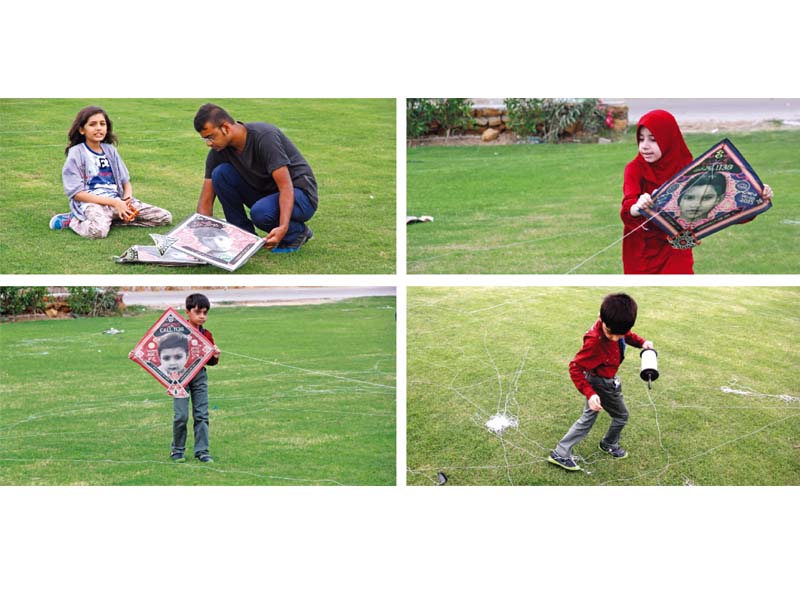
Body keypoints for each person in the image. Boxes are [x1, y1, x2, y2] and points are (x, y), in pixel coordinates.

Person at [621, 109, 774, 274]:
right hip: (642, 249)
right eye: (641, 139)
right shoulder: (634, 168)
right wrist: (638, 206)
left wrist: (757, 196)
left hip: (677, 247)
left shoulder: (689, 168)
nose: (644, 146)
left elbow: (725, 209)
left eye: (653, 139)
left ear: (668, 139)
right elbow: (628, 204)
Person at [548, 293, 653, 471]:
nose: (613, 338)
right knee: (621, 416)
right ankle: (606, 444)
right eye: (610, 333)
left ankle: (563, 451)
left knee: (589, 416)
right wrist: (590, 393)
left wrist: (642, 343)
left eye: (618, 335)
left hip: (601, 380)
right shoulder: (594, 342)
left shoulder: (615, 324)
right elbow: (575, 367)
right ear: (601, 318)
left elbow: (626, 335)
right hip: (601, 383)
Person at [193, 103, 318, 253]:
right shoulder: (218, 152)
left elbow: (286, 186)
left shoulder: (264, 136)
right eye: (205, 139)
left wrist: (283, 227)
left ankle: (296, 232)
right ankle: (245, 238)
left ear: (226, 127)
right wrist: (199, 239)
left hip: (300, 194)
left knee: (261, 213)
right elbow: (205, 201)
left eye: (211, 137)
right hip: (267, 196)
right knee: (220, 174)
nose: (208, 143)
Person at [54, 105, 172, 238]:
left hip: (118, 201)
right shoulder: (76, 153)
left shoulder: (110, 150)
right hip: (93, 203)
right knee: (98, 232)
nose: (98, 128)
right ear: (82, 130)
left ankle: (110, 220)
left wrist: (126, 200)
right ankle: (73, 220)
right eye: (92, 124)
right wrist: (115, 203)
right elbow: (77, 194)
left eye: (102, 124)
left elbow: (125, 182)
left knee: (163, 217)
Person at [170, 293, 221, 464]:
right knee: (181, 416)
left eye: (205, 313)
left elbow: (211, 362)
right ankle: (177, 450)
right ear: (187, 312)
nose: (202, 316)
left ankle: (202, 451)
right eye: (198, 312)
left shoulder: (207, 335)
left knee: (201, 415)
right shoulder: (177, 332)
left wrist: (215, 355)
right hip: (180, 377)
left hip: (199, 376)